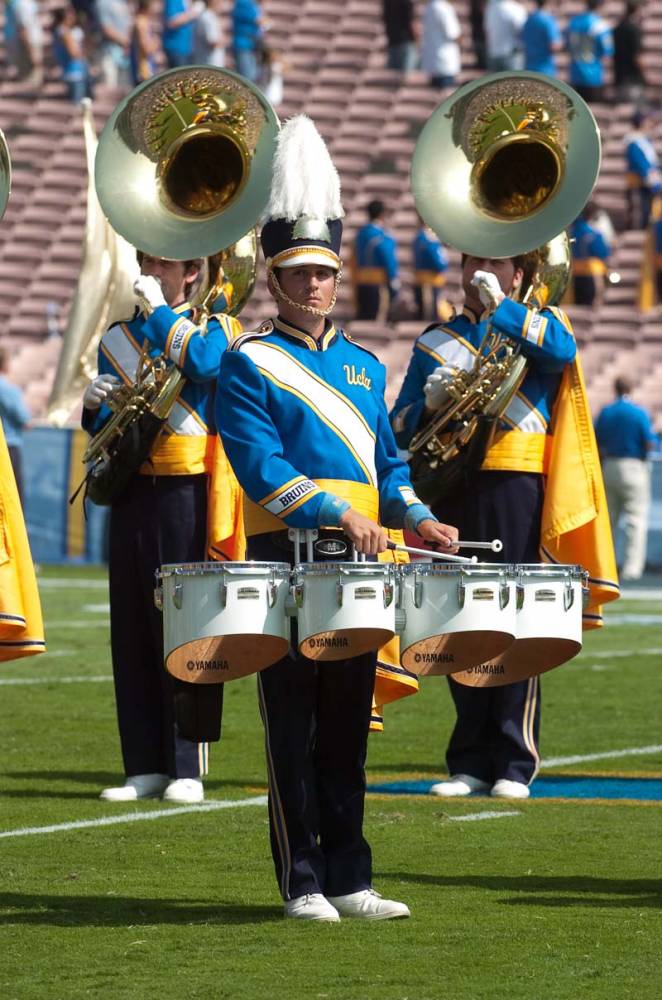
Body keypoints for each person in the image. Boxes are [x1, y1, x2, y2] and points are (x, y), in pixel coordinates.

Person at [216, 115, 458, 921]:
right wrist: (331, 514)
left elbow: (387, 465)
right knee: (291, 724)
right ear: (272, 276)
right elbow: (261, 467)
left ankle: (352, 877)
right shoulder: (248, 361)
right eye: (298, 272)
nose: (314, 284)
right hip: (286, 554)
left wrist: (419, 517)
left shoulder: (362, 363)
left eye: (323, 272)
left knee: (349, 722)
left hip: (363, 562)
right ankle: (303, 881)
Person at [391, 247, 617, 799]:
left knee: (515, 614)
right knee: (462, 614)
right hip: (453, 486)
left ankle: (514, 761)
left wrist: (505, 310)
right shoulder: (434, 340)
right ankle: (468, 759)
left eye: (495, 262)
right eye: (471, 261)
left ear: (521, 272)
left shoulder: (542, 322)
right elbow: (397, 426)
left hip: (517, 484)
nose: (480, 272)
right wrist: (427, 403)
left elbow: (562, 352)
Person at [82, 252, 241, 804]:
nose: (150, 268)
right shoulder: (118, 335)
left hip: (188, 492)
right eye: (146, 257)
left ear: (192, 272)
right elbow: (113, 422)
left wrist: (158, 313)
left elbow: (205, 366)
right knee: (130, 628)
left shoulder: (216, 326)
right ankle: (142, 763)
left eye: (165, 262)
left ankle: (186, 763)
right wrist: (93, 408)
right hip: (132, 491)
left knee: (186, 626)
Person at [595, 377, 657, 581]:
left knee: (608, 520)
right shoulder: (638, 413)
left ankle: (605, 566)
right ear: (631, 388)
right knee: (635, 520)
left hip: (609, 465)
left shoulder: (606, 412)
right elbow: (649, 443)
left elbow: (596, 439)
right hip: (634, 466)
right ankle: (631, 569)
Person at [353, 200, 400, 322]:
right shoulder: (381, 235)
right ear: (382, 214)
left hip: (361, 281)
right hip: (378, 283)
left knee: (362, 320)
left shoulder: (360, 234)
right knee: (377, 322)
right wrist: (393, 277)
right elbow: (388, 258)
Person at [565, 0, 613, 103]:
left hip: (575, 72)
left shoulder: (573, 22)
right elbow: (607, 50)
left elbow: (567, 46)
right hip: (593, 73)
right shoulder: (600, 24)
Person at [0, 347, 31, 504]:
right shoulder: (8, 390)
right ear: (6, 364)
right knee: (13, 501)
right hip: (8, 449)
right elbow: (24, 419)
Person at [569, 201, 613, 306]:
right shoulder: (594, 234)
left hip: (571, 277)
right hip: (591, 276)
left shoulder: (570, 232)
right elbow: (603, 254)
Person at [624, 109, 662, 230]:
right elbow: (640, 163)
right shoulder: (634, 142)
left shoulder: (643, 140)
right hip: (640, 182)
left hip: (649, 180)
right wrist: (652, 178)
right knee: (642, 210)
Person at [51, 6, 94, 103]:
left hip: (70, 72)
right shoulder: (64, 32)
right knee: (78, 105)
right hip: (75, 73)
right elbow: (74, 53)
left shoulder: (58, 31)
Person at [411, 220, 450, 321]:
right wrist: (442, 266)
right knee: (429, 314)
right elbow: (437, 260)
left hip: (425, 279)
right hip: (429, 281)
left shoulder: (419, 237)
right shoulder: (428, 238)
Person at [420, 0, 461, 90]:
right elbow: (452, 34)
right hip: (445, 63)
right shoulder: (443, 8)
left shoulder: (430, 6)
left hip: (434, 62)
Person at [4, 0, 44, 88]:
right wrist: (31, 51)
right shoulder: (22, 5)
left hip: (29, 41)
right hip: (29, 42)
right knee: (31, 80)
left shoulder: (26, 3)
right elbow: (23, 29)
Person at [613, 0, 646, 103]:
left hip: (620, 77)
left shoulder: (618, 28)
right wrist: (645, 74)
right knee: (635, 112)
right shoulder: (633, 30)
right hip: (632, 79)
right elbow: (637, 57)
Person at [96, 0, 132, 89]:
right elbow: (106, 28)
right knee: (111, 88)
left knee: (126, 89)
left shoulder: (122, 2)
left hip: (125, 53)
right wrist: (125, 42)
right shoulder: (103, 3)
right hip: (110, 52)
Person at [483, 0, 526, 72]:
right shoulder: (516, 9)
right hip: (511, 56)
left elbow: (487, 32)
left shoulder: (490, 7)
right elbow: (522, 32)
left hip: (493, 54)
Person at [521, 0, 562, 77]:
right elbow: (555, 45)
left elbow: (522, 38)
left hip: (529, 67)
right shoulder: (548, 20)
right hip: (545, 70)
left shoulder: (529, 19)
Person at [162, 0, 201, 69]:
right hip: (177, 49)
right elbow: (172, 22)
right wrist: (193, 13)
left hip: (190, 49)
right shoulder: (173, 1)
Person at [382, 0, 418, 72]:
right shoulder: (406, 2)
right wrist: (417, 39)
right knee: (406, 77)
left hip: (392, 41)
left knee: (392, 76)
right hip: (405, 42)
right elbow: (410, 23)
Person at [232, 0, 263, 83]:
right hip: (243, 45)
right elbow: (258, 20)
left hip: (251, 46)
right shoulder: (243, 2)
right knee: (246, 79)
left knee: (252, 77)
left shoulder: (252, 4)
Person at [130, 0, 158, 84]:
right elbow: (146, 49)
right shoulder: (141, 23)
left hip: (144, 68)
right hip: (144, 70)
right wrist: (156, 42)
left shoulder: (140, 21)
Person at [193, 0, 225, 66]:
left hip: (210, 63)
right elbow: (212, 42)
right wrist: (224, 41)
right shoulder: (208, 17)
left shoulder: (209, 16)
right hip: (210, 64)